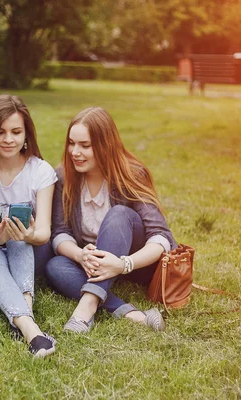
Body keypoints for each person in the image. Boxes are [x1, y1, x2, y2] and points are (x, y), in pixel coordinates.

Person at [45, 107, 177, 333]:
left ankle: (86, 307)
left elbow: (161, 237)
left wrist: (123, 264)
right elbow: (60, 232)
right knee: (55, 266)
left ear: (105, 145)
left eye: (85, 146)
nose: (75, 152)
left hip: (131, 263)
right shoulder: (64, 177)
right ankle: (131, 313)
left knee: (119, 214)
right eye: (72, 143)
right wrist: (80, 255)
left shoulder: (132, 174)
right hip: (92, 263)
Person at [0, 94, 57, 357]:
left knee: (19, 239)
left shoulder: (40, 171)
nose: (8, 139)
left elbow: (43, 233)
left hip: (26, 252)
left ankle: (23, 321)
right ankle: (31, 329)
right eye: (0, 132)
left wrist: (26, 234)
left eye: (16, 132)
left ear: (26, 134)